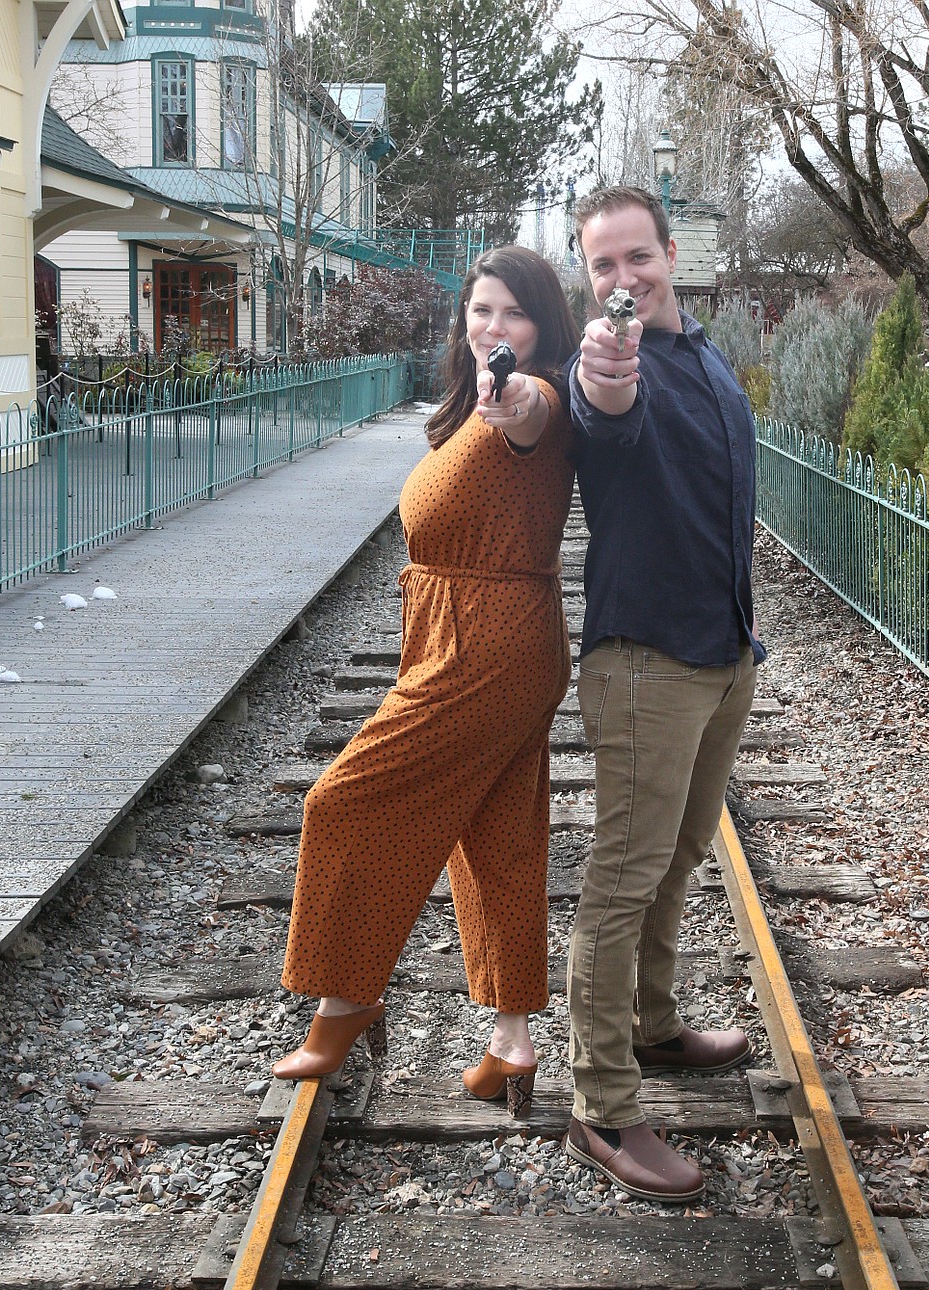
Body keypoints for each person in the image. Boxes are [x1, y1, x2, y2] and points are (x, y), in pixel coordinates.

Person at [272, 245, 580, 1122]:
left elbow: (533, 411)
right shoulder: (462, 407)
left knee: (343, 802)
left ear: (541, 327)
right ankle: (512, 1041)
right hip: (477, 640)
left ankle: (345, 999)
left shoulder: (537, 398)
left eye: (513, 313)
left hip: (485, 647)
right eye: (481, 310)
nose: (493, 327)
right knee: (497, 838)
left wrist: (514, 392)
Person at [564, 187, 766, 1202]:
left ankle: (652, 1021)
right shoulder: (609, 362)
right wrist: (604, 371)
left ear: (670, 253)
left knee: (681, 853)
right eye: (603, 265)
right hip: (645, 661)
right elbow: (608, 408)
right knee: (625, 873)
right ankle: (601, 1104)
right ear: (587, 276)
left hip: (721, 652)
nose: (624, 278)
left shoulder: (706, 354)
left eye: (636, 257)